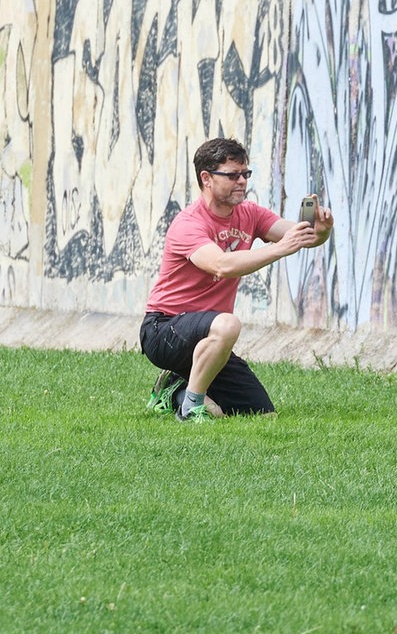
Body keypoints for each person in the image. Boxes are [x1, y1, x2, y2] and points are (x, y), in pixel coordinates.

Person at [140, 137, 332, 422]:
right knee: (228, 323)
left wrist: (321, 230)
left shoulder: (250, 213)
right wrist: (278, 248)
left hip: (210, 333)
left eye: (245, 174)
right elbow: (220, 265)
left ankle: (176, 388)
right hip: (164, 328)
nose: (242, 181)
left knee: (262, 414)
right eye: (232, 175)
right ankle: (190, 408)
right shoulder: (188, 224)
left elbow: (300, 237)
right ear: (206, 178)